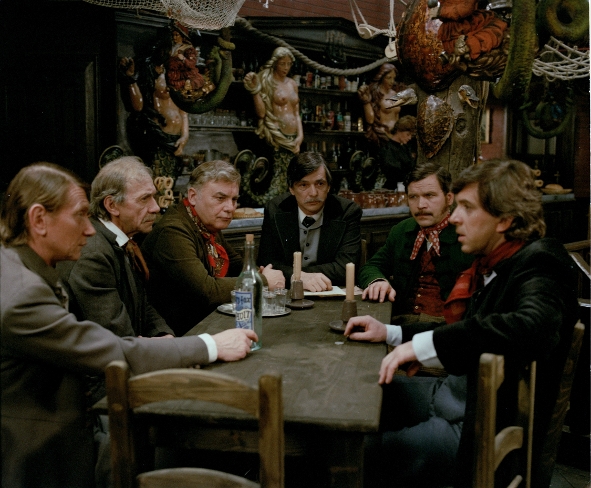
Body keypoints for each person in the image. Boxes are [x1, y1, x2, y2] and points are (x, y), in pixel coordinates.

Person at [0, 162, 257, 488]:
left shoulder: (21, 267)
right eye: (79, 215)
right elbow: (111, 349)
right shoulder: (23, 294)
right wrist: (211, 344)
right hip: (40, 456)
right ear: (39, 220)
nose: (90, 229)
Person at [345, 159, 579, 487]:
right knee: (358, 392)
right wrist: (391, 332)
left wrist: (425, 346)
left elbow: (532, 325)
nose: (454, 217)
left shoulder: (541, 262)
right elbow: (468, 327)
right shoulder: (495, 260)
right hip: (455, 396)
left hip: (476, 429)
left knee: (348, 453)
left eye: (467, 207)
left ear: (505, 219)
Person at [142, 160, 285, 336]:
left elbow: (238, 265)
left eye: (234, 199)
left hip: (205, 325)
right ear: (193, 196)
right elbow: (208, 291)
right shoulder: (173, 230)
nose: (230, 208)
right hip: (179, 335)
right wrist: (262, 281)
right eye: (220, 198)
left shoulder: (206, 223)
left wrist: (257, 275)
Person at [359, 161, 473, 322]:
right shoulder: (402, 230)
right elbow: (371, 267)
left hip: (447, 326)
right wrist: (378, 281)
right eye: (413, 197)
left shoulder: (468, 234)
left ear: (449, 198)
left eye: (430, 195)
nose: (420, 205)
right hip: (400, 320)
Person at [257, 152, 362, 292]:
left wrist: (298, 275)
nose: (313, 193)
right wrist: (299, 277)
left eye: (320, 184)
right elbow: (266, 264)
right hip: (287, 293)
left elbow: (346, 268)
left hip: (330, 291)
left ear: (328, 186)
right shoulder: (275, 209)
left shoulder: (347, 211)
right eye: (303, 185)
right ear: (291, 189)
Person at [243, 47, 304, 205]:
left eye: (289, 64)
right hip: (276, 134)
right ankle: (277, 203)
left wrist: (300, 136)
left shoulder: (292, 83)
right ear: (275, 63)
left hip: (293, 137)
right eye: (282, 63)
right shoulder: (267, 81)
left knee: (291, 173)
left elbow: (297, 113)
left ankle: (287, 202)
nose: (286, 67)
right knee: (279, 173)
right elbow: (261, 113)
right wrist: (255, 90)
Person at [120, 57, 189, 178]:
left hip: (175, 140)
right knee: (156, 176)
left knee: (170, 177)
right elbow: (138, 106)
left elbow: (183, 112)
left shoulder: (176, 75)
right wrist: (131, 77)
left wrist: (185, 136)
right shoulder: (150, 76)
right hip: (158, 139)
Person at [380, 115, 417, 190]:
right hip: (392, 189)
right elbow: (393, 173)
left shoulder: (405, 148)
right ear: (399, 131)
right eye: (407, 134)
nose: (409, 138)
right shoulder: (388, 149)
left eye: (411, 135)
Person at [166, 22, 204, 92]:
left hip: (182, 75)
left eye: (177, 35)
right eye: (173, 35)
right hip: (170, 73)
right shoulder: (171, 47)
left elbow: (192, 64)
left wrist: (183, 59)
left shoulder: (188, 48)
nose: (174, 37)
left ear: (182, 36)